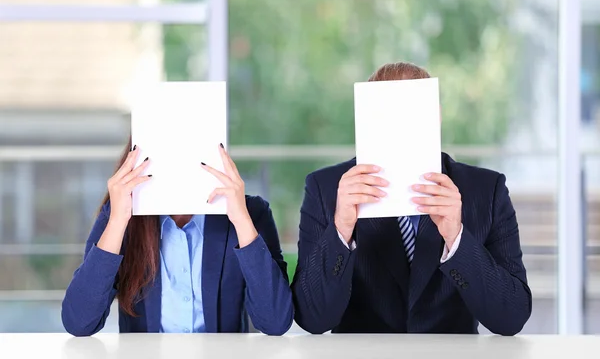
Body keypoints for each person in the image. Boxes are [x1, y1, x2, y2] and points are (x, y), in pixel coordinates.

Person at [291, 62, 532, 335]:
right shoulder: (326, 189)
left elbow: (512, 317)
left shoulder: (486, 191)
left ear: (436, 117)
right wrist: (340, 232)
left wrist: (457, 238)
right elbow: (312, 319)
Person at [62, 139, 293, 336]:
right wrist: (117, 220)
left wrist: (242, 221)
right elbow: (79, 322)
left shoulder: (250, 213)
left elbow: (275, 322)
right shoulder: (122, 214)